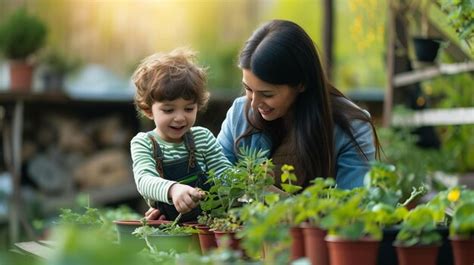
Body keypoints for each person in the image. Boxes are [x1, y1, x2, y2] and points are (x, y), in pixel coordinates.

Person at [217, 19, 381, 189]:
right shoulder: (239, 115)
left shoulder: (351, 127)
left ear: (301, 83)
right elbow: (214, 177)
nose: (254, 104)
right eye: (248, 89)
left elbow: (352, 206)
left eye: (267, 94)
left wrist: (268, 192)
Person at [130, 48, 232, 222]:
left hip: (209, 224)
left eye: (189, 108)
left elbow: (223, 172)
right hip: (169, 226)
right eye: (168, 110)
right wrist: (173, 190)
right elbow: (144, 180)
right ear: (148, 110)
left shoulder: (203, 138)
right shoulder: (145, 143)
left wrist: (248, 179)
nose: (179, 118)